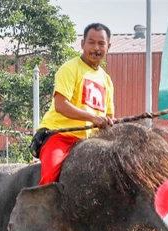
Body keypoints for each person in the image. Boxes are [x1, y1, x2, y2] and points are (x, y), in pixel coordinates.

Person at [33, 22, 115, 185]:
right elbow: (61, 105)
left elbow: (109, 117)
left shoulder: (107, 81)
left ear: (108, 47)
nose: (96, 48)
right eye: (91, 42)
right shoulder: (70, 69)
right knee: (50, 178)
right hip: (60, 136)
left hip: (91, 143)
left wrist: (107, 123)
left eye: (101, 43)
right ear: (83, 44)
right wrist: (94, 118)